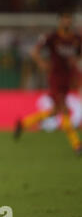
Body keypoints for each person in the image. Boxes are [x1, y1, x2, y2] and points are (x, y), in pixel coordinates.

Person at [14, 12, 81, 154]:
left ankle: (24, 123)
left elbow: (78, 54)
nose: (67, 22)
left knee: (56, 111)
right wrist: (42, 64)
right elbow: (34, 52)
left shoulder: (76, 38)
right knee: (64, 109)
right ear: (60, 21)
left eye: (69, 20)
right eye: (64, 19)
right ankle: (76, 144)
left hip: (68, 78)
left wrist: (75, 61)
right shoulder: (52, 38)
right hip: (55, 78)